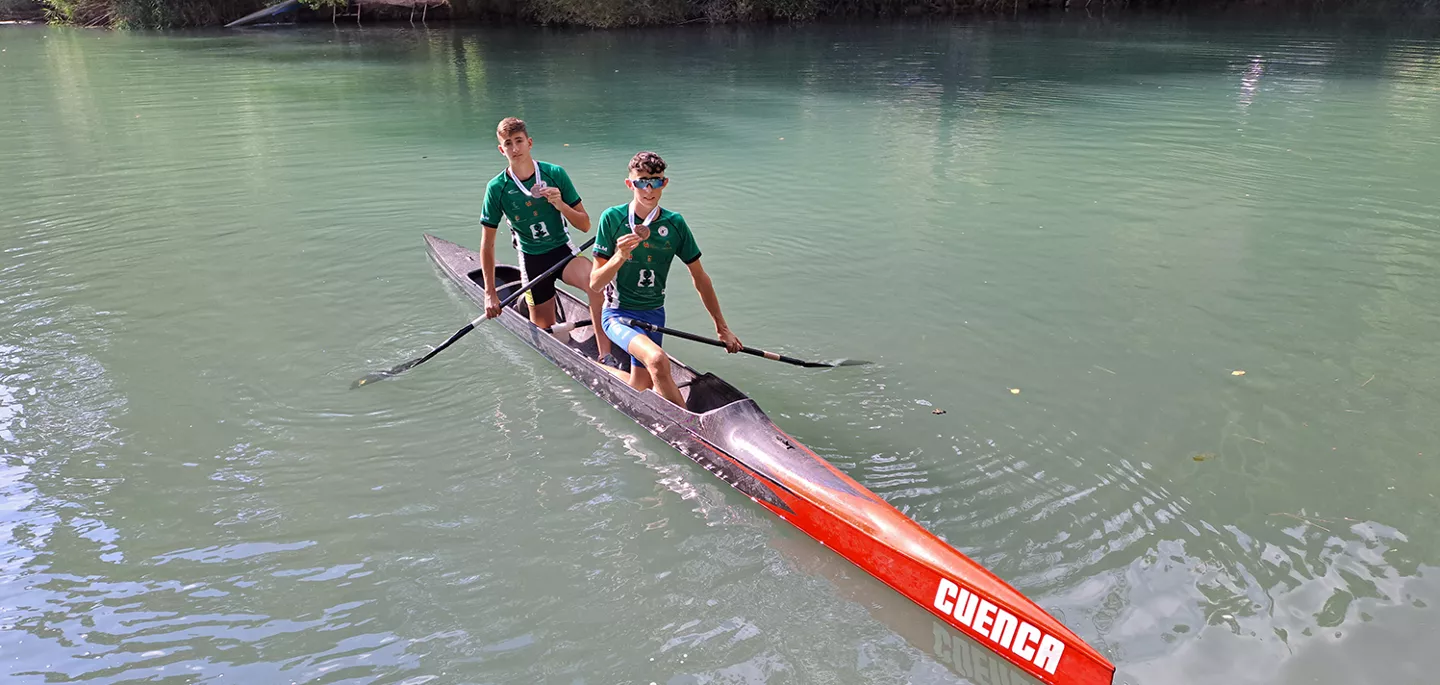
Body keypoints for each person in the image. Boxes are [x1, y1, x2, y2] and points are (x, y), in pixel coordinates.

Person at [590, 151, 743, 407]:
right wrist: (619, 256)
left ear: (665, 183)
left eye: (656, 181)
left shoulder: (675, 224)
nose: (649, 189)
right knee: (658, 360)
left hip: (654, 315)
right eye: (642, 182)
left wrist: (722, 328)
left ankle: (602, 370)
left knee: (641, 386)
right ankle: (690, 429)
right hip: (618, 315)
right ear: (630, 184)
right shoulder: (612, 218)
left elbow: (700, 278)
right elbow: (595, 283)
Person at [479, 117, 614, 363]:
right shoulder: (496, 188)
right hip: (531, 261)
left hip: (562, 252)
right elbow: (487, 244)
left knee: (598, 284)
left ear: (529, 143)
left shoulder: (554, 174)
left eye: (519, 141)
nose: (515, 148)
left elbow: (584, 225)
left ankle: (606, 356)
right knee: (545, 331)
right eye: (508, 144)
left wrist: (560, 204)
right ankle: (524, 300)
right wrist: (489, 293)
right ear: (501, 150)